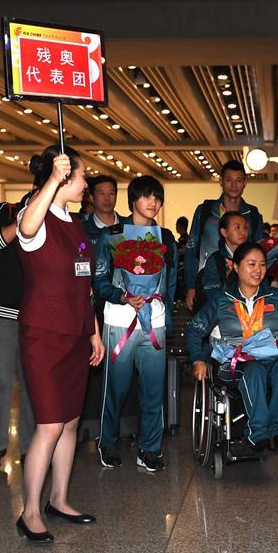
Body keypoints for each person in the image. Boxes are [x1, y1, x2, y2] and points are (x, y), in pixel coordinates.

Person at [16, 145, 105, 543]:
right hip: (44, 336)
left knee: (69, 422)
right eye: (82, 176)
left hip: (75, 333)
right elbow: (26, 231)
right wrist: (53, 179)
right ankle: (30, 512)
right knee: (50, 424)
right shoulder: (36, 215)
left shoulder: (76, 224)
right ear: (63, 175)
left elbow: (83, 286)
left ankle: (60, 499)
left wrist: (94, 332)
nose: (86, 184)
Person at [186, 242, 278, 451]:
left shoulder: (277, 298)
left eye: (262, 265)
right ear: (236, 267)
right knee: (254, 370)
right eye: (251, 264)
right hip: (233, 363)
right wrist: (197, 358)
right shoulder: (221, 300)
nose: (258, 270)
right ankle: (258, 433)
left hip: (272, 360)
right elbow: (194, 329)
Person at [93, 176, 178, 472]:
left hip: (154, 320)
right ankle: (107, 441)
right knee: (116, 387)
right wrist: (122, 296)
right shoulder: (112, 235)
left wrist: (164, 306)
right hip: (119, 319)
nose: (152, 202)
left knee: (154, 388)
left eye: (157, 197)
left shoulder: (166, 238)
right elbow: (99, 281)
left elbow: (173, 279)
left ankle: (150, 448)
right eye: (146, 196)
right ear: (132, 201)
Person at [0, 196, 36, 472]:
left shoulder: (57, 217)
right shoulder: (6, 209)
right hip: (0, 308)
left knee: (31, 382)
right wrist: (24, 220)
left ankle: (30, 447)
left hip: (35, 312)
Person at [185, 160, 264, 310]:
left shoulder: (252, 215)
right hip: (206, 284)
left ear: (245, 183)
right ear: (221, 181)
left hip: (244, 286)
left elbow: (260, 252)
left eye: (239, 180)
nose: (234, 185)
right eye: (229, 180)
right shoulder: (205, 211)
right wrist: (190, 286)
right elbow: (191, 249)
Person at [198, 211, 249, 307]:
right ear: (224, 232)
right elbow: (211, 291)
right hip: (225, 311)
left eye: (245, 227)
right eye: (237, 227)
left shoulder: (253, 257)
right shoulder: (215, 260)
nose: (243, 232)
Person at [81, 176, 120, 248]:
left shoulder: (128, 225)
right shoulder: (82, 230)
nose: (107, 198)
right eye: (101, 193)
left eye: (111, 193)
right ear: (91, 198)